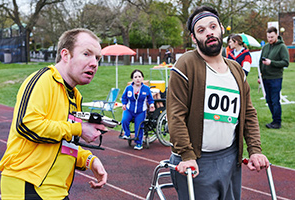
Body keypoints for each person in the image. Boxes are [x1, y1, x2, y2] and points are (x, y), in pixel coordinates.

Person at [166, 5, 269, 200]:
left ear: (222, 29)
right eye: (201, 30)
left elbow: (248, 113)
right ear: (194, 38)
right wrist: (187, 155)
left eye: (213, 26)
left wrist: (255, 150)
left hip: (230, 159)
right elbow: (175, 115)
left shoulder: (236, 70)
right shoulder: (185, 65)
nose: (209, 33)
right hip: (196, 161)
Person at [0, 28, 108, 199]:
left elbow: (62, 144)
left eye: (98, 58)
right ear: (65, 55)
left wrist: (89, 160)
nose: (94, 63)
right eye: (87, 54)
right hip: (28, 184)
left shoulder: (75, 96)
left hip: (55, 190)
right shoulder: (44, 80)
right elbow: (27, 126)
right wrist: (79, 129)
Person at [259, 26, 289, 129]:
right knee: (268, 100)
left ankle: (277, 122)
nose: (270, 39)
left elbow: (286, 62)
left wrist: (271, 63)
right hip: (265, 78)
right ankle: (274, 119)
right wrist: (260, 76)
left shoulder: (282, 47)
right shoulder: (266, 47)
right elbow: (260, 62)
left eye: (272, 37)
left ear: (276, 35)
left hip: (276, 78)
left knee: (275, 100)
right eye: (268, 37)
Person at [120, 69, 155, 150]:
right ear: (132, 79)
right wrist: (124, 104)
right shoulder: (128, 88)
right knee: (124, 120)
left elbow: (150, 98)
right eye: (135, 77)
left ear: (142, 78)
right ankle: (127, 133)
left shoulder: (146, 88)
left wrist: (152, 104)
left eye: (139, 77)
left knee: (139, 126)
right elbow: (124, 97)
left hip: (140, 111)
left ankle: (139, 143)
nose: (137, 79)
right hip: (129, 110)